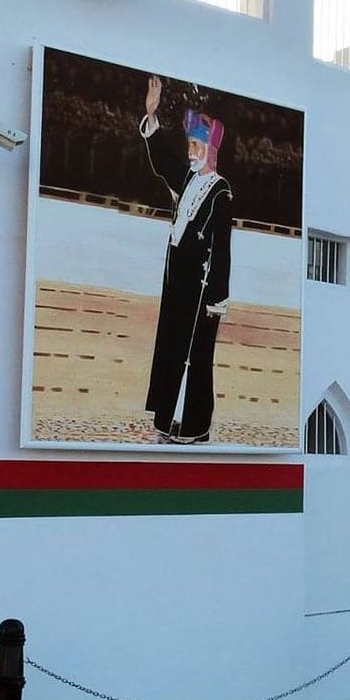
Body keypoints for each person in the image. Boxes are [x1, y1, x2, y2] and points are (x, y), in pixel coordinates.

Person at [136, 75, 233, 444]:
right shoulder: (189, 179)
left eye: (197, 144)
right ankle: (168, 419)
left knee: (197, 357)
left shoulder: (220, 190)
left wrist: (217, 298)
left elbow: (220, 245)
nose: (191, 151)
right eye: (190, 144)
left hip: (201, 287)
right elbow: (162, 161)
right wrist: (151, 115)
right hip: (177, 279)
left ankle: (195, 426)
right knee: (173, 349)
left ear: (211, 149)